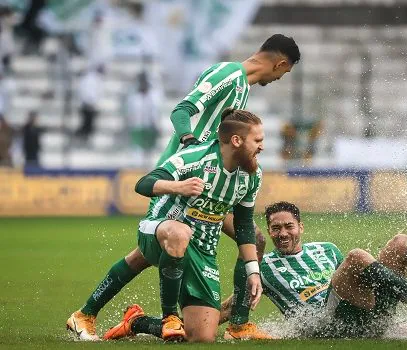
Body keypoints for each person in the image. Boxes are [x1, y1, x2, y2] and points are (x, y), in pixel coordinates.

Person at [66, 34, 300, 341]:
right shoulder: (228, 74)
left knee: (156, 253)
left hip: (209, 182)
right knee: (159, 247)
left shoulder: (241, 89)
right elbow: (182, 110)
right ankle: (180, 320)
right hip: (183, 180)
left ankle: (97, 316)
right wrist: (191, 144)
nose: (279, 78)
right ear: (281, 63)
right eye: (284, 72)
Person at [100, 201, 407, 340]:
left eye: (288, 227)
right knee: (356, 256)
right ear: (268, 233)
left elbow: (362, 277)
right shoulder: (262, 269)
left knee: (399, 243)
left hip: (364, 312)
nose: (282, 233)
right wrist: (159, 324)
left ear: (300, 227)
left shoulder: (326, 250)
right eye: (275, 229)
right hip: (324, 322)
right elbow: (223, 314)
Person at [67, 108, 265, 342]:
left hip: (203, 251)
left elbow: (242, 224)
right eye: (258, 140)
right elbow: (143, 184)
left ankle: (136, 322)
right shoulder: (196, 158)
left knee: (201, 338)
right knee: (179, 233)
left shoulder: (252, 175)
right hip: (159, 230)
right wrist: (178, 187)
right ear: (236, 141)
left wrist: (253, 272)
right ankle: (169, 316)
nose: (262, 146)